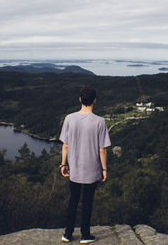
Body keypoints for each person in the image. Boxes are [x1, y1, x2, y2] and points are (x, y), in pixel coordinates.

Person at [59, 86, 111, 244]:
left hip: (74, 168)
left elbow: (65, 145)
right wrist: (104, 169)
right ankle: (85, 235)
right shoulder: (100, 122)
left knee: (73, 200)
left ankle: (67, 234)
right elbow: (102, 149)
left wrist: (63, 164)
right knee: (87, 201)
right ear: (95, 100)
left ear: (80, 99)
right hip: (92, 169)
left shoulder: (69, 118)